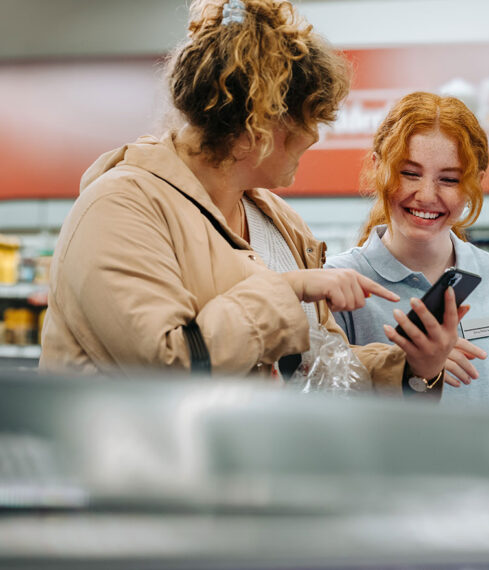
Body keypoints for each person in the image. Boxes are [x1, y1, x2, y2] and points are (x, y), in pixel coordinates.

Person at [39, 0, 465, 397]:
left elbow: (317, 370)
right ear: (257, 122)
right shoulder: (118, 208)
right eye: (308, 118)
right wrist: (289, 288)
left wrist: (411, 367)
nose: (315, 136)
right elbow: (168, 367)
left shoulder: (277, 220)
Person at [325, 92, 489, 411]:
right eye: (409, 173)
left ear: (474, 184)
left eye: (449, 179)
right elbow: (322, 415)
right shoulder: (340, 286)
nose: (426, 195)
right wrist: (413, 371)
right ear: (377, 166)